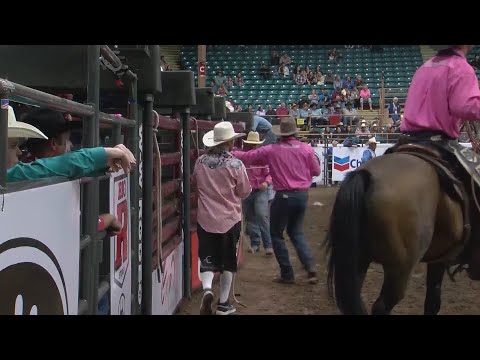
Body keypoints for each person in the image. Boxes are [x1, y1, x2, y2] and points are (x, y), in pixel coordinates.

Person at [232, 117, 320, 285]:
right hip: (302, 194)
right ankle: (310, 266)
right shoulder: (306, 149)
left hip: (284, 195)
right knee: (296, 231)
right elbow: (316, 171)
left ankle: (287, 273)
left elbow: (248, 157)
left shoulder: (272, 150)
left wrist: (231, 152)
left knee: (277, 234)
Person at [192, 121, 251, 315]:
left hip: (206, 218)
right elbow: (244, 191)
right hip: (229, 219)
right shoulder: (236, 164)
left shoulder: (200, 162)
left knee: (207, 258)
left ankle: (208, 288)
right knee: (228, 262)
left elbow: (195, 183)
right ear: (230, 142)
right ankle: (224, 303)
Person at [399, 45, 480, 179]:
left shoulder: (424, 67)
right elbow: (464, 106)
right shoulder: (461, 67)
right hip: (438, 142)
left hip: (408, 139)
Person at [238, 131, 273, 255]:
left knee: (261, 216)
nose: (253, 146)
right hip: (249, 190)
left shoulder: (257, 157)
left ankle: (266, 244)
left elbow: (269, 174)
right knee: (251, 217)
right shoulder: (244, 156)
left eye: (254, 144)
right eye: (251, 144)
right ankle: (256, 243)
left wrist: (266, 182)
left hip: (258, 190)